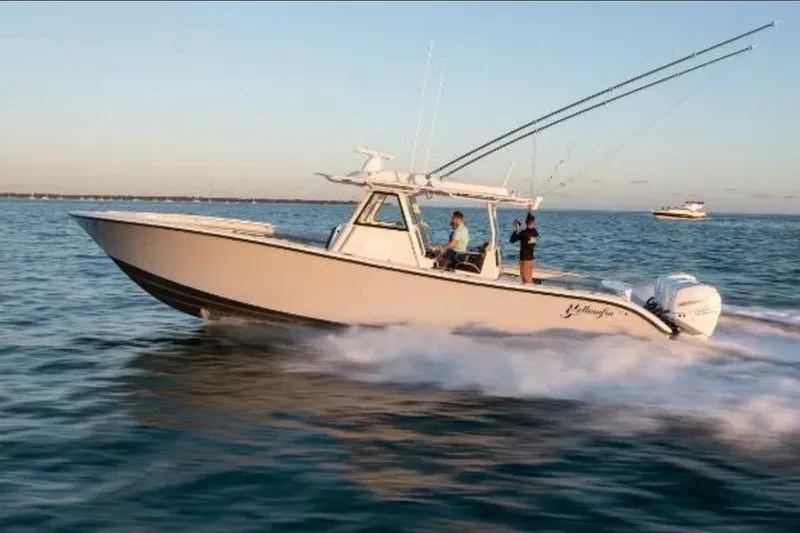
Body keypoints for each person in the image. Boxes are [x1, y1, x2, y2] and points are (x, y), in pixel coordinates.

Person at [510, 212, 538, 284]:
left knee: (526, 280)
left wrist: (517, 229)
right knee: (527, 278)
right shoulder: (534, 232)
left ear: (526, 223)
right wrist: (518, 229)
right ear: (533, 223)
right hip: (529, 259)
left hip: (525, 260)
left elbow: (512, 240)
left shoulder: (523, 233)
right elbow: (532, 244)